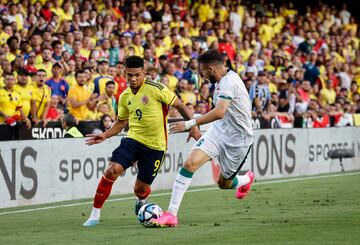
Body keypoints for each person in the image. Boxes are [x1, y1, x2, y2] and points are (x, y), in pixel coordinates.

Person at [82, 56, 201, 227]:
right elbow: (121, 122)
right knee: (111, 171)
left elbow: (180, 106)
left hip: (156, 147)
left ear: (144, 73)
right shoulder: (124, 96)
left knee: (140, 189)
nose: (133, 79)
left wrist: (193, 126)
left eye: (137, 75)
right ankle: (94, 215)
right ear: (124, 73)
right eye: (129, 75)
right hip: (133, 140)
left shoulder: (157, 89)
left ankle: (141, 200)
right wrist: (105, 135)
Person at [150, 50, 254, 227]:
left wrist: (190, 124)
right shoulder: (222, 80)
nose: (202, 75)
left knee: (223, 183)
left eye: (203, 71)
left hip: (239, 140)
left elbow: (220, 112)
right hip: (219, 132)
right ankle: (171, 215)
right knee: (189, 164)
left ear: (212, 68)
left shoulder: (230, 82)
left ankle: (245, 180)